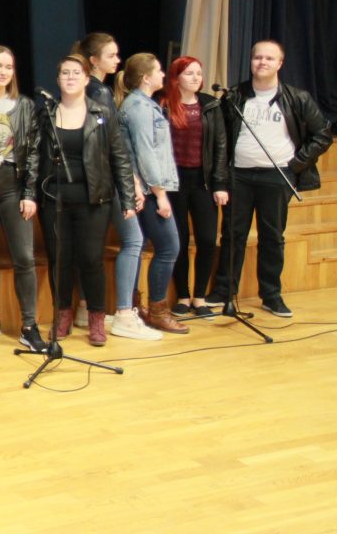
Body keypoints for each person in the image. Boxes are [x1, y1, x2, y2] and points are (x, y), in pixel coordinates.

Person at [207, 40, 332, 317]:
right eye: (257, 58)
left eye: (269, 58)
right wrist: (221, 177)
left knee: (272, 236)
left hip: (276, 176)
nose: (262, 62)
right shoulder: (234, 96)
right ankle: (225, 290)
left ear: (280, 63)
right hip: (239, 175)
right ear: (251, 61)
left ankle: (271, 295)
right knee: (232, 234)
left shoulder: (298, 98)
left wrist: (297, 163)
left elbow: (322, 134)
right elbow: (220, 138)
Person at [36, 55, 136, 347]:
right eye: (65, 73)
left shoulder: (101, 113)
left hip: (94, 199)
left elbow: (120, 157)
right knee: (60, 260)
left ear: (86, 79)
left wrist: (128, 198)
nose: (70, 78)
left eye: (76, 73)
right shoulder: (46, 114)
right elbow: (35, 157)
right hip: (54, 200)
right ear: (58, 80)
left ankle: (96, 318)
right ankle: (63, 314)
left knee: (91, 259)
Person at [73, 33, 150, 332]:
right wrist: (131, 181)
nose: (118, 61)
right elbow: (112, 144)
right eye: (111, 55)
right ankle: (125, 314)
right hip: (108, 179)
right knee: (133, 240)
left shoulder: (84, 89)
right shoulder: (100, 92)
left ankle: (84, 309)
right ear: (93, 60)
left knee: (92, 245)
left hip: (90, 179)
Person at [0, 45, 46, 353]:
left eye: (9, 66)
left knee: (24, 258)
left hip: (14, 187)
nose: (3, 72)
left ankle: (29, 326)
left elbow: (33, 152)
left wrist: (29, 193)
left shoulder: (25, 105)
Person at [117, 54, 187, 335]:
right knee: (169, 246)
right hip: (146, 190)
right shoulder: (139, 108)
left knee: (149, 245)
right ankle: (157, 310)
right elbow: (145, 154)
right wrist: (160, 194)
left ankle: (138, 307)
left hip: (146, 188)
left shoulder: (144, 105)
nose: (163, 75)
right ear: (146, 77)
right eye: (158, 71)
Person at [161, 57, 228, 317]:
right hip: (174, 182)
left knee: (207, 240)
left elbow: (220, 146)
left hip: (203, 181)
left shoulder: (210, 105)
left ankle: (200, 298)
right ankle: (183, 296)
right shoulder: (164, 104)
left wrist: (220, 183)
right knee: (178, 240)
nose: (196, 78)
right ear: (176, 77)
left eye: (199, 73)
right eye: (189, 73)